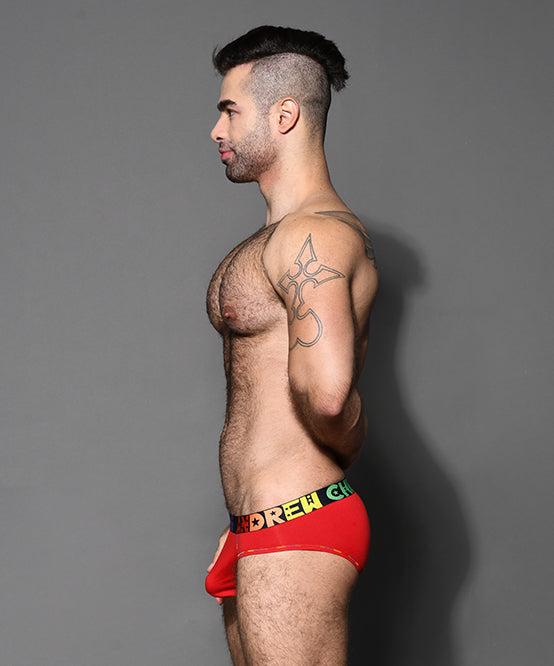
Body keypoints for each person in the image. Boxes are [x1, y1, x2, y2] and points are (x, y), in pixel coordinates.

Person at [204, 26, 378, 665]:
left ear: (284, 115)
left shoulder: (317, 237)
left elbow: (327, 396)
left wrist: (336, 454)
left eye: (230, 111)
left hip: (295, 520)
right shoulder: (278, 236)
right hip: (261, 524)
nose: (216, 131)